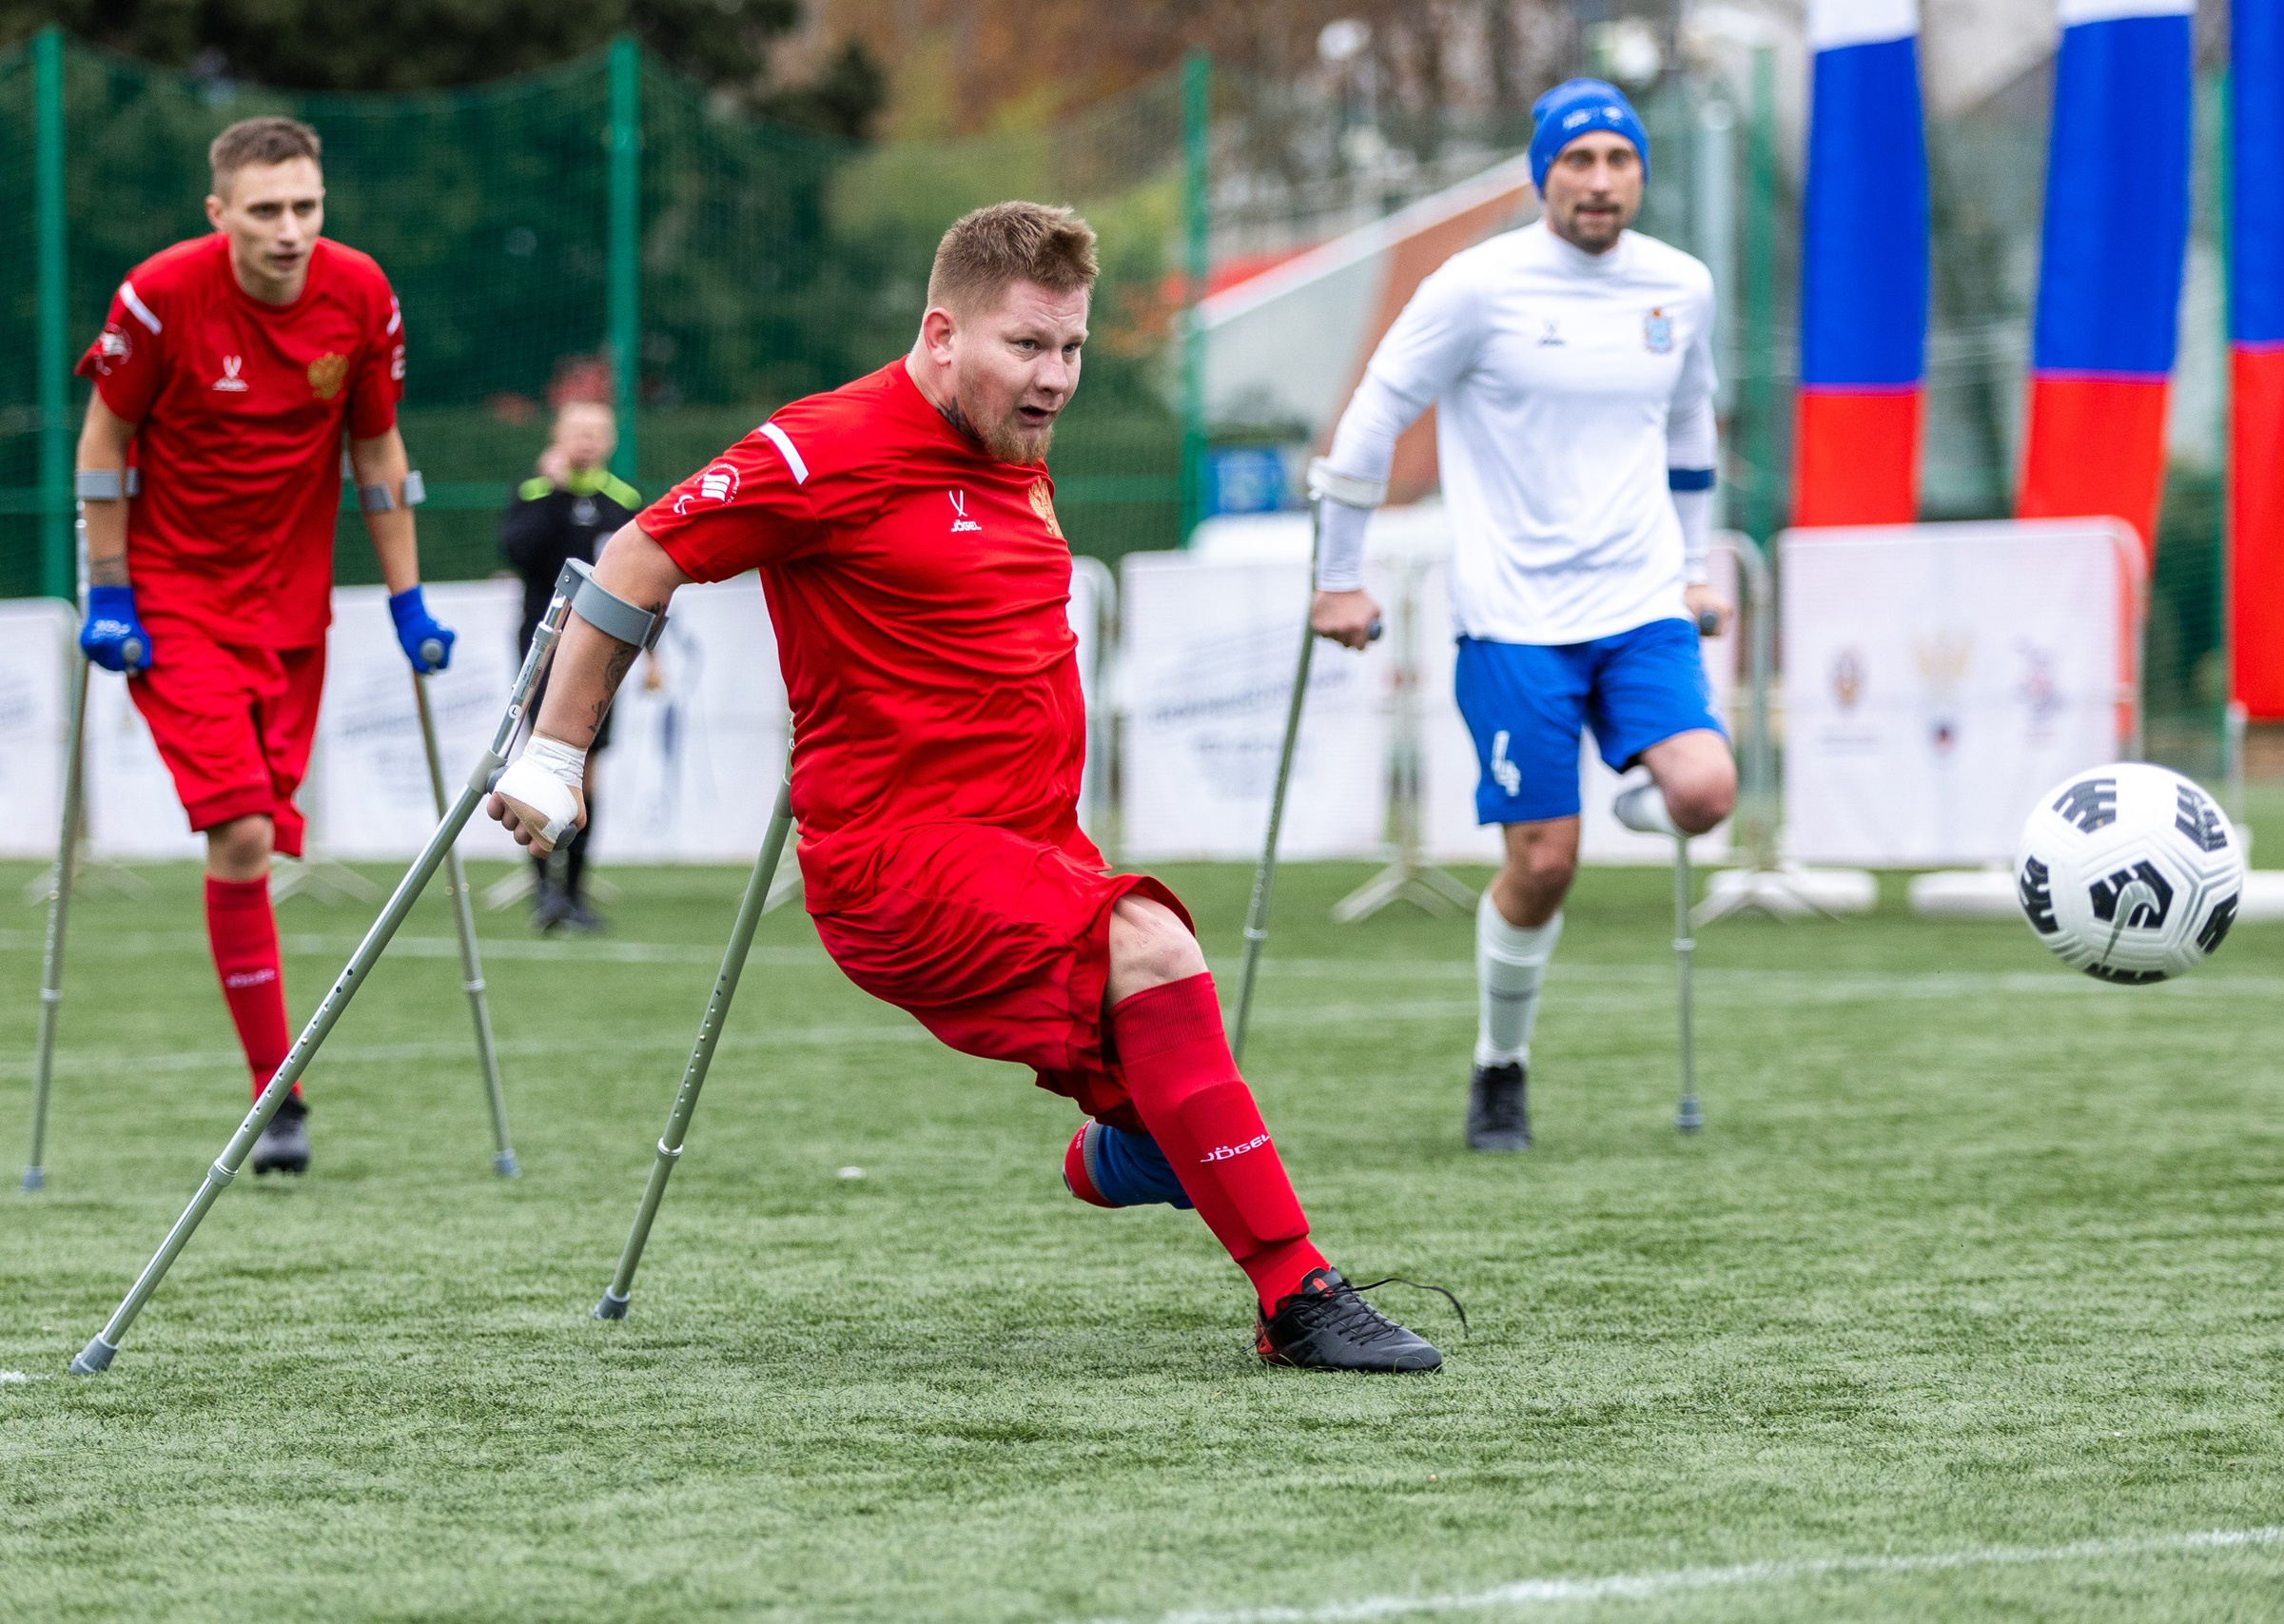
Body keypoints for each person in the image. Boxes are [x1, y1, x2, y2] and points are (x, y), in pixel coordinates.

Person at [487, 202, 1445, 1372]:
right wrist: (555, 753)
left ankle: (1127, 1155)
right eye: (1026, 346)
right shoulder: (822, 446)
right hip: (898, 865)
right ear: (942, 334)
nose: (1055, 378)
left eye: (1072, 348)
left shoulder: (1011, 450)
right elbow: (637, 556)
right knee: (1152, 944)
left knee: (1163, 1065)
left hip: (1039, 848)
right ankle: (1299, 1297)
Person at [1307, 79, 1736, 1153]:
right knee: (1544, 866)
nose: (1599, 181)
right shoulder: (1476, 285)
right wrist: (1338, 575)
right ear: (1544, 173)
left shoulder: (1680, 286)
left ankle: (1633, 790)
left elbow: (1691, 425)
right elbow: (1373, 416)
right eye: (1577, 161)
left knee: (1704, 792)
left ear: (1640, 174)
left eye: (1619, 160)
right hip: (1512, 619)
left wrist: (1693, 567)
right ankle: (1501, 1064)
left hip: (1640, 603)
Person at [71, 115, 453, 1176]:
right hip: (172, 599)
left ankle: (273, 1091)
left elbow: (376, 446)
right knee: (240, 829)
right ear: (220, 214)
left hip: (291, 607)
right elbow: (104, 436)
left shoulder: (361, 295)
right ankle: (275, 1097)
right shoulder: (160, 296)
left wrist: (408, 600)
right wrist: (109, 590)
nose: (290, 230)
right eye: (266, 210)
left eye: (306, 207)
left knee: (265, 834)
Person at [499, 399, 641, 932]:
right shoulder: (534, 493)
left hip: (603, 653)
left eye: (596, 431)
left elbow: (641, 581)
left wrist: (652, 653)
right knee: (539, 760)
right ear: (558, 434)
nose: (587, 440)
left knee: (589, 767)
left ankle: (576, 893)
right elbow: (517, 552)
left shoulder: (622, 501)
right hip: (543, 648)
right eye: (577, 430)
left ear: (610, 440)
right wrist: (555, 492)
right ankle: (544, 894)